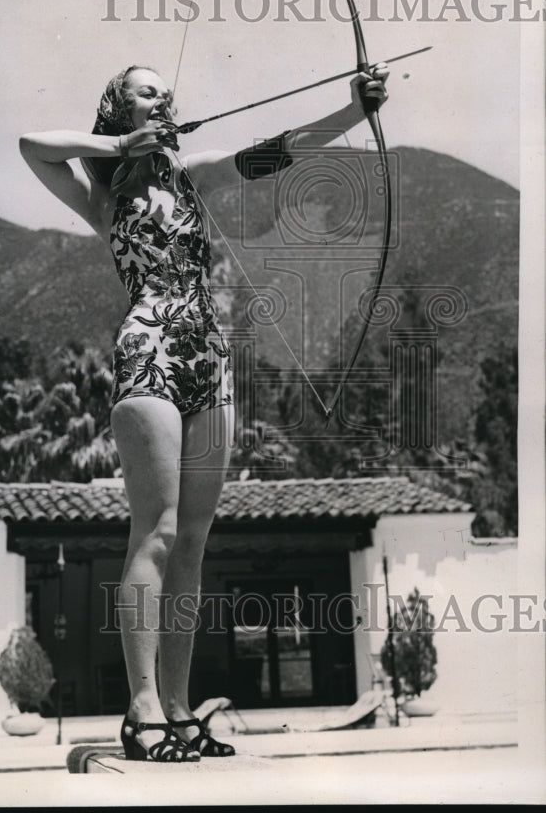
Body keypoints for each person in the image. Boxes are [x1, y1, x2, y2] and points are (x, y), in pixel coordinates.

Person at [20, 61, 389, 762]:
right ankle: (142, 708)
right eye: (144, 91)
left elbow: (282, 150)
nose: (161, 97)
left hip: (206, 355)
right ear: (118, 107)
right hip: (149, 345)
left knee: (193, 540)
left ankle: (182, 709)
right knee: (154, 531)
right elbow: (31, 143)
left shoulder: (193, 174)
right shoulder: (100, 197)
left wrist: (354, 111)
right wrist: (122, 150)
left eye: (166, 91)